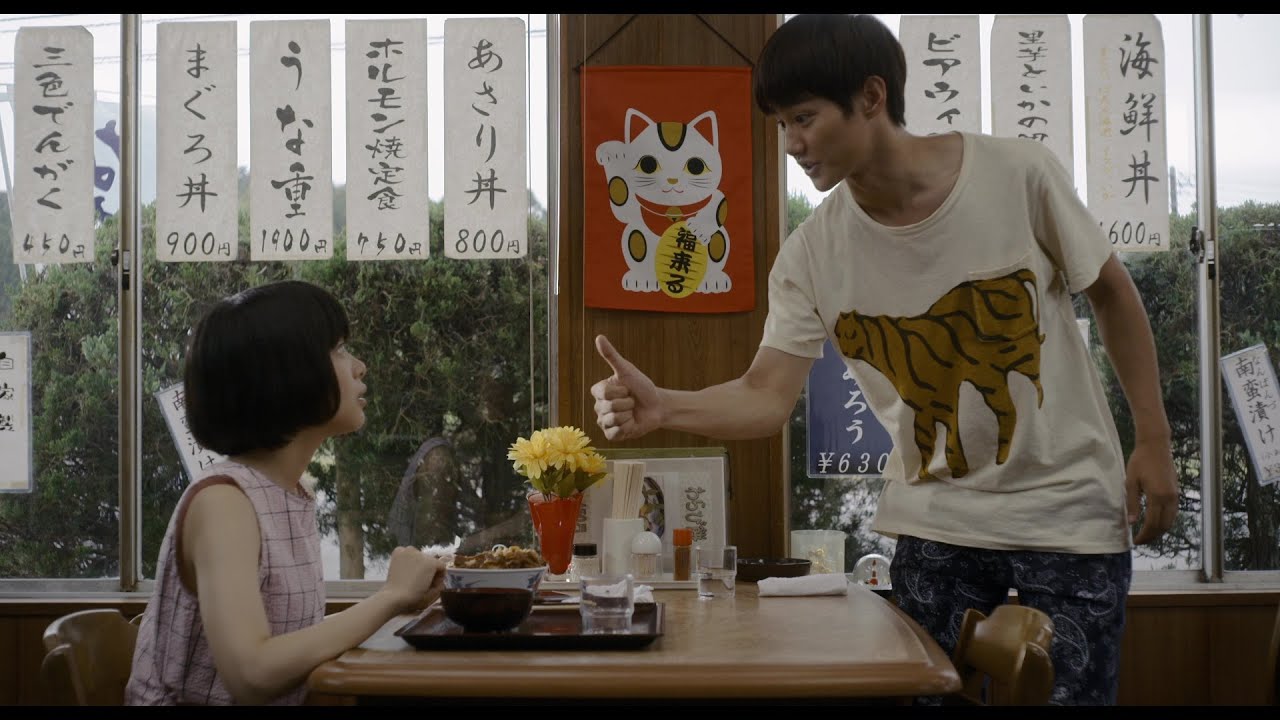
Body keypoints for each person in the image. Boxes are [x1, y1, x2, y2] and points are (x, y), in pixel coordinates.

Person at [590, 13, 1178, 706]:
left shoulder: (1019, 173)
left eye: (803, 118)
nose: (791, 143)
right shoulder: (812, 252)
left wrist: (1154, 439)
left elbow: (1111, 293)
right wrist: (666, 406)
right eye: (780, 124)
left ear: (871, 97)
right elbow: (765, 394)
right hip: (936, 524)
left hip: (1070, 515)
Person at [126, 280, 444, 705]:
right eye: (339, 350)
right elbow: (252, 674)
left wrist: (403, 600)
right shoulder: (223, 502)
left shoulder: (287, 493)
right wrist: (390, 596)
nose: (359, 367)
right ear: (285, 374)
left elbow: (287, 646)